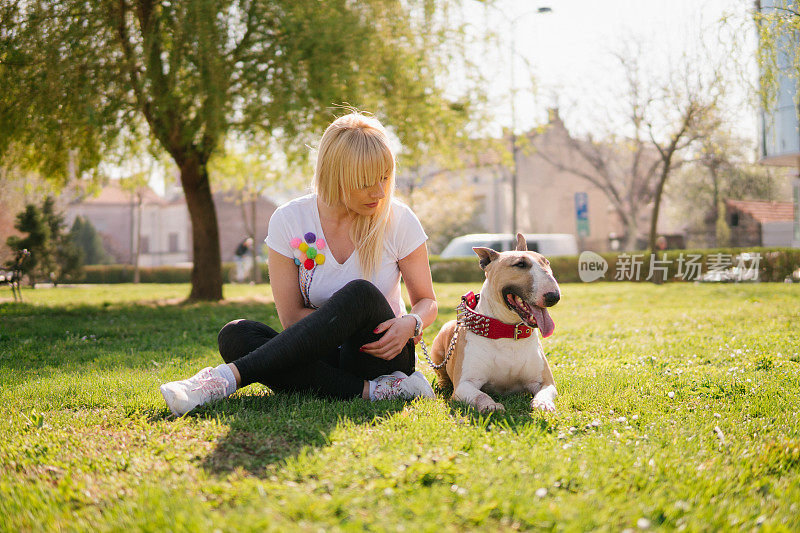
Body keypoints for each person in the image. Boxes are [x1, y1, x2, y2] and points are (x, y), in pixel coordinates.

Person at [160, 112, 438, 416]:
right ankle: (377, 393)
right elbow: (291, 318)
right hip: (322, 353)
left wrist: (411, 322)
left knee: (360, 294)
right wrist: (331, 327)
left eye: (385, 177)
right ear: (336, 175)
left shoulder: (398, 219)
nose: (380, 192)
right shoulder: (288, 220)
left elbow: (427, 301)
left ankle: (222, 380)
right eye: (366, 183)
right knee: (236, 335)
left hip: (382, 355)